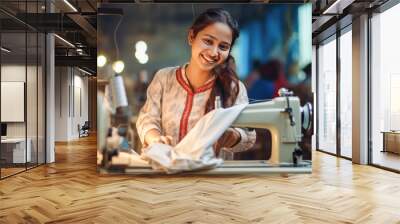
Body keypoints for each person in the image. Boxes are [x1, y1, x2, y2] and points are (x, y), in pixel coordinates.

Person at [136, 8, 256, 158]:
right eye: (208, 41)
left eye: (223, 47)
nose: (214, 52)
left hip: (213, 178)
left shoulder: (234, 88)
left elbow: (249, 136)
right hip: (166, 174)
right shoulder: (164, 78)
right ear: (192, 36)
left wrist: (234, 137)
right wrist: (155, 139)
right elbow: (147, 119)